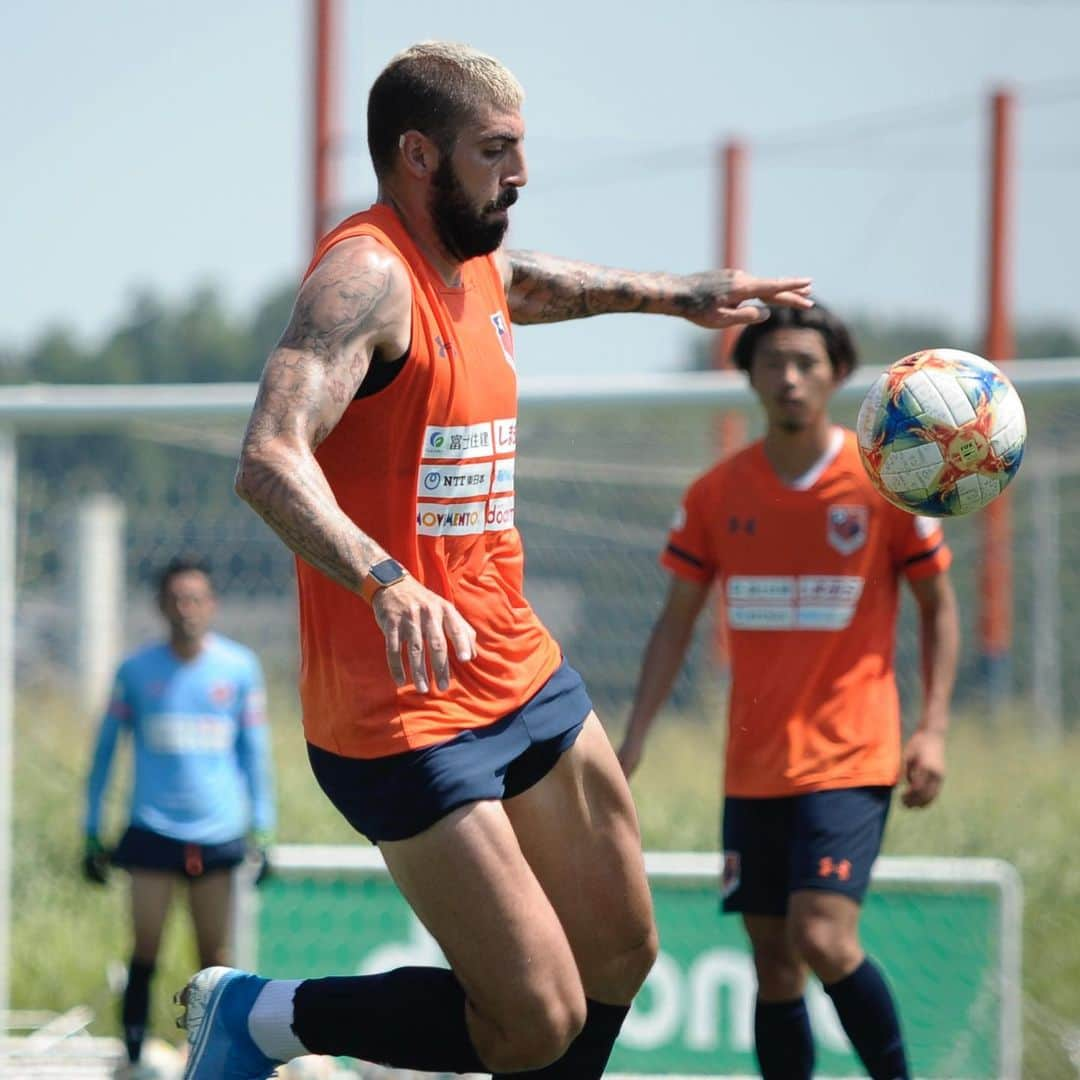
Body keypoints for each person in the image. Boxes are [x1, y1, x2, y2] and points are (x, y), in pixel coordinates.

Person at [174, 41, 813, 1080]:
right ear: (420, 155)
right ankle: (263, 1016)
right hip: (400, 706)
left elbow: (530, 281)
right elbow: (267, 458)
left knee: (621, 952)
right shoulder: (366, 276)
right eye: (497, 150)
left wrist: (678, 294)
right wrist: (386, 579)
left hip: (515, 664)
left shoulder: (470, 260)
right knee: (536, 1018)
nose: (520, 173)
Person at [617, 301, 959, 1080]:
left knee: (823, 937)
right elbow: (674, 624)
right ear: (750, 377)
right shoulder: (716, 495)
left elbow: (939, 607)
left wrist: (932, 728)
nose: (791, 378)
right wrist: (634, 734)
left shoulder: (886, 482)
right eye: (773, 363)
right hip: (754, 763)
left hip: (851, 752)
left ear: (838, 375)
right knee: (773, 963)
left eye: (807, 362)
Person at [83, 555, 276, 1078]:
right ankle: (132, 1059)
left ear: (210, 605)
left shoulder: (238, 669)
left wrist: (264, 827)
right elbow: (104, 754)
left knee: (215, 960)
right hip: (151, 830)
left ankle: (215, 1060)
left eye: (196, 598)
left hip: (218, 834)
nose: (186, 609)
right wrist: (90, 828)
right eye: (176, 599)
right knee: (144, 947)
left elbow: (254, 753)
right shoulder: (136, 672)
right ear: (161, 605)